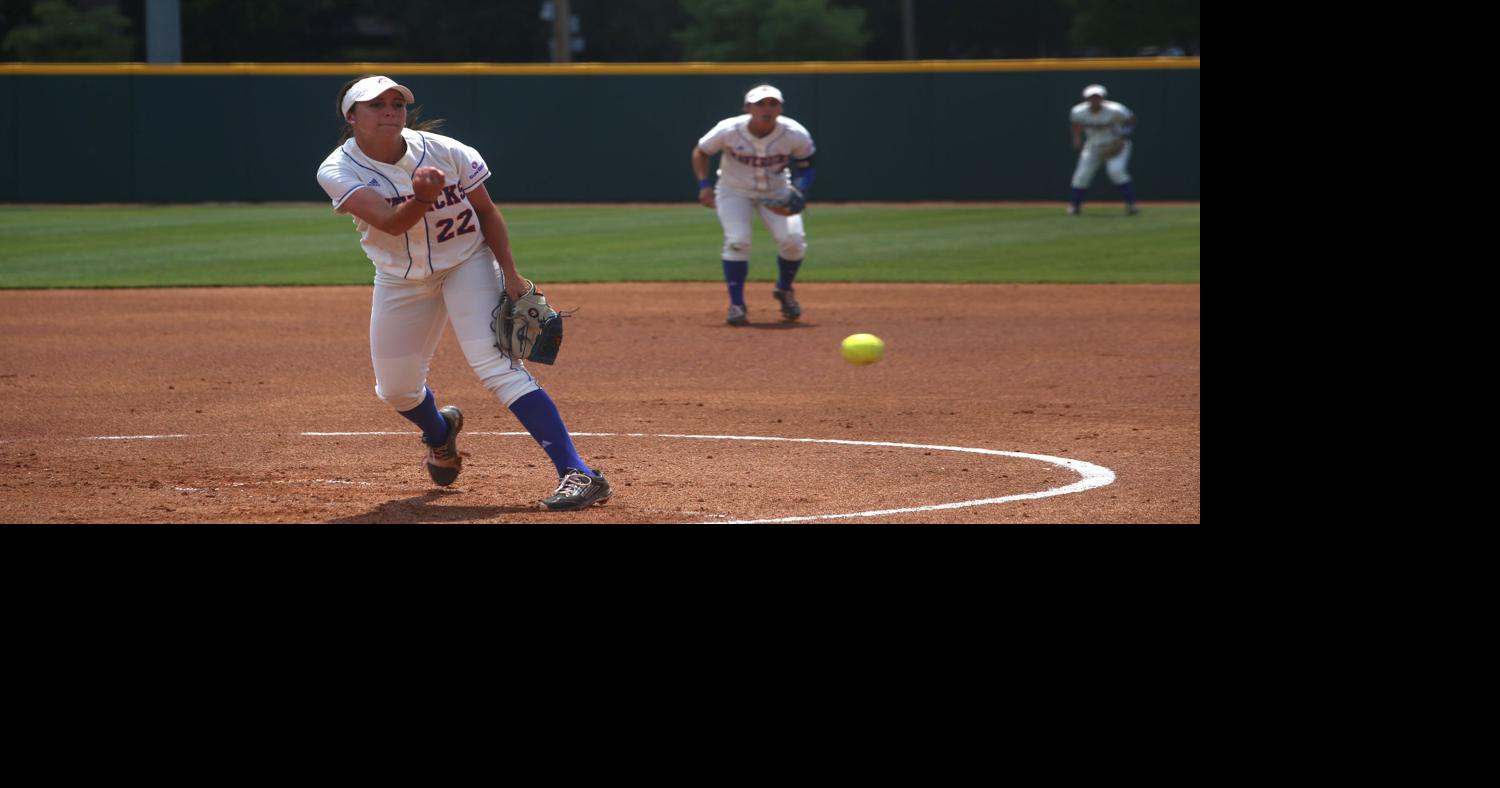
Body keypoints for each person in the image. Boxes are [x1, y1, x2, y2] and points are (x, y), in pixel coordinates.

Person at [315, 75, 612, 512]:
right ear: (351, 116)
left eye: (396, 103)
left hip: (467, 263)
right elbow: (392, 223)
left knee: (496, 367)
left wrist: (510, 274)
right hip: (399, 277)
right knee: (396, 390)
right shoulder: (338, 170)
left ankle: (578, 472)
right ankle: (440, 433)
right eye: (376, 105)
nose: (390, 111)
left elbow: (487, 212)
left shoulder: (449, 151)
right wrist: (422, 198)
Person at [692, 84, 817, 325]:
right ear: (747, 108)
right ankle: (737, 305)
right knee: (737, 241)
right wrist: (704, 185)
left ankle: (784, 289)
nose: (767, 108)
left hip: (777, 192)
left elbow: (807, 161)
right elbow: (701, 151)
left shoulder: (794, 133)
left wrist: (800, 189)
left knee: (793, 242)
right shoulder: (729, 129)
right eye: (760, 103)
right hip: (734, 191)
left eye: (773, 103)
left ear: (780, 108)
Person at [1068, 84, 1139, 216]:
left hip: (1116, 145)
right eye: (1091, 97)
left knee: (1116, 172)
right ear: (1086, 99)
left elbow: (1131, 120)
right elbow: (1075, 123)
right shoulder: (1078, 111)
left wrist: (1123, 135)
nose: (1095, 100)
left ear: (1102, 98)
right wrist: (1076, 138)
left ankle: (1131, 205)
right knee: (1082, 175)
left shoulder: (1115, 109)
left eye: (1097, 97)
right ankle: (1074, 207)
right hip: (1093, 146)